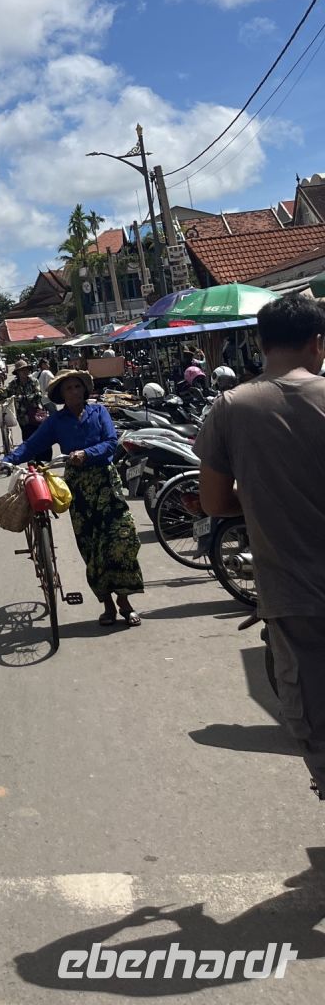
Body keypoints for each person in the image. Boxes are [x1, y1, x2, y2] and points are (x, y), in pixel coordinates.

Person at [197, 294, 325, 801]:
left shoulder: (232, 407)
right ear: (318, 343)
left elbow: (212, 501)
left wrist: (263, 497)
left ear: (258, 343)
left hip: (292, 596)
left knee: (315, 715)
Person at [0, 369, 144, 627]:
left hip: (106, 483)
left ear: (84, 390)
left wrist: (86, 453)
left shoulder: (99, 412)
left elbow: (110, 442)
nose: (74, 392)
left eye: (77, 387)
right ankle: (107, 603)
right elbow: (32, 445)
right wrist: (5, 460)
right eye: (68, 389)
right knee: (90, 545)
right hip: (78, 487)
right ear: (61, 395)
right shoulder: (56, 421)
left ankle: (125, 601)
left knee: (122, 537)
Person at [1, 359, 48, 436]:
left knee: (42, 437)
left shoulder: (33, 381)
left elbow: (38, 394)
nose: (24, 372)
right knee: (27, 439)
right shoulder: (13, 384)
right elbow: (5, 393)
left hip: (36, 414)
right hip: (23, 417)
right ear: (17, 372)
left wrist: (22, 398)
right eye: (22, 370)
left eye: (26, 369)